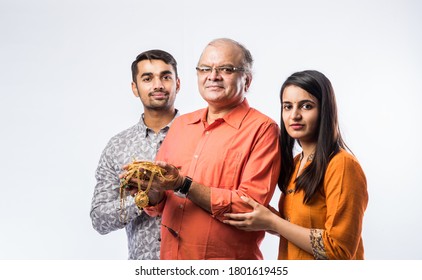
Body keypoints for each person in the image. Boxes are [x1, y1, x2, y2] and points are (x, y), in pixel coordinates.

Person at [136, 38, 281, 259]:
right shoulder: (182, 125)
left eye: (225, 69)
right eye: (205, 69)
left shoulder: (262, 129)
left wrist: (184, 185)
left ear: (247, 81)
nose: (213, 76)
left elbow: (250, 209)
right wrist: (150, 190)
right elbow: (161, 205)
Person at [224, 70, 368, 260]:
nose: (294, 115)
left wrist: (274, 222)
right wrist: (265, 217)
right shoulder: (296, 163)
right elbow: (300, 226)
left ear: (325, 110)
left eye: (306, 106)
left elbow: (339, 250)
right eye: (287, 107)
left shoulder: (342, 165)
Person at [90, 49, 180, 259]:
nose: (158, 85)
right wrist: (143, 199)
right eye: (147, 78)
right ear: (135, 88)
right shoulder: (118, 146)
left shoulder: (200, 135)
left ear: (178, 83)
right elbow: (99, 219)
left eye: (165, 77)